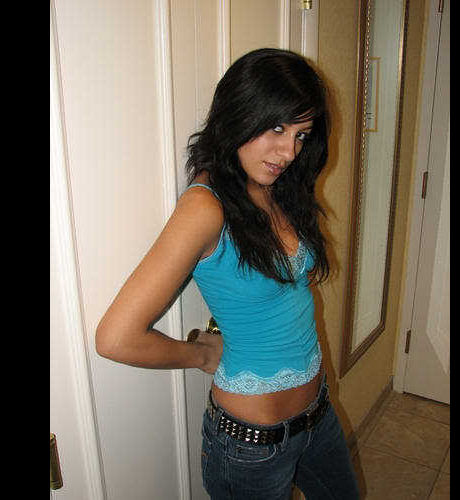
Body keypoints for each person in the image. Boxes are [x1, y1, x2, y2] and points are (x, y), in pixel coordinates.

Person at [96, 48, 359, 499]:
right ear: (241, 111)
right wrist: (199, 356)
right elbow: (115, 338)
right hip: (252, 448)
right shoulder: (206, 207)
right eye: (277, 128)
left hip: (318, 417)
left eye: (301, 134)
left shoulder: (277, 186)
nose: (288, 151)